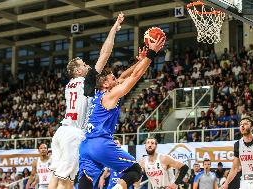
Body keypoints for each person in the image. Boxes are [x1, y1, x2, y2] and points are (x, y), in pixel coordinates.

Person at [48, 12, 125, 189]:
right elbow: (105, 53)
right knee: (66, 178)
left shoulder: (69, 85)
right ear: (78, 72)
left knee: (56, 175)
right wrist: (114, 29)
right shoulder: (86, 82)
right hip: (73, 134)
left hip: (61, 132)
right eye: (83, 65)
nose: (87, 65)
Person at [78, 35, 166, 189]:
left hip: (85, 145)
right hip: (101, 143)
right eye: (113, 78)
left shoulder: (96, 95)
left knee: (87, 180)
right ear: (106, 84)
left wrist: (140, 61)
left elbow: (125, 76)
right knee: (135, 170)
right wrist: (152, 54)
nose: (117, 79)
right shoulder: (109, 95)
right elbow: (135, 76)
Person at [220, 117, 253, 189]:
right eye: (241, 124)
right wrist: (226, 183)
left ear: (252, 127)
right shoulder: (237, 144)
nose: (242, 125)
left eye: (245, 124)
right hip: (246, 182)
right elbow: (235, 167)